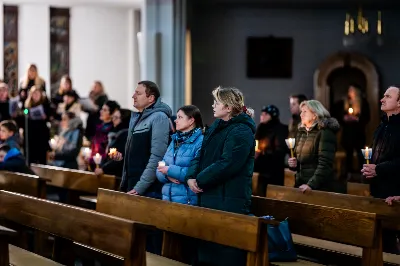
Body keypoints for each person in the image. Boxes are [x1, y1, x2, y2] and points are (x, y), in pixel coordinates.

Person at [185, 86, 255, 266]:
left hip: (228, 198)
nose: (213, 105)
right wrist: (191, 177)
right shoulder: (217, 127)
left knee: (224, 254)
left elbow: (228, 164)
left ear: (229, 108)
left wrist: (199, 179)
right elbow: (199, 155)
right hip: (211, 194)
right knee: (207, 251)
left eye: (217, 102)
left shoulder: (241, 130)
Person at [110, 81, 172, 255]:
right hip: (134, 185)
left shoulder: (159, 118)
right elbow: (138, 153)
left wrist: (140, 187)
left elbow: (157, 156)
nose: (133, 96)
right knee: (134, 241)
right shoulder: (138, 117)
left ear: (151, 98)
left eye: (138, 93)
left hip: (148, 189)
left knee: (148, 243)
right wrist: (123, 158)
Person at [362, 86, 400, 254]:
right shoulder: (381, 127)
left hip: (396, 192)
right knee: (383, 244)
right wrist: (369, 169)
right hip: (379, 192)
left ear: (399, 102)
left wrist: (378, 169)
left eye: (387, 96)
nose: (382, 99)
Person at [156, 105, 204, 205]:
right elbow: (160, 168)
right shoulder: (175, 140)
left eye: (180, 117)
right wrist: (167, 176)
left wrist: (170, 170)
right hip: (167, 199)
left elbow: (198, 171)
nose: (175, 120)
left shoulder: (201, 141)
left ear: (191, 120)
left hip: (188, 200)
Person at [288, 100, 339, 192]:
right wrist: (294, 164)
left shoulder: (325, 133)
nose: (301, 115)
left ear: (315, 115)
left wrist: (311, 185)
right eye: (301, 112)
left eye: (305, 112)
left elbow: (325, 164)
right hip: (301, 185)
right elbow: (301, 162)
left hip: (318, 188)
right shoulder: (301, 132)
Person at [334, 84, 370, 176]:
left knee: (360, 153)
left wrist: (356, 119)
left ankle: (362, 173)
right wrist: (344, 118)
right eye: (349, 90)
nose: (350, 92)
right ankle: (348, 173)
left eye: (352, 90)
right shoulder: (344, 102)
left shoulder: (363, 103)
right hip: (347, 132)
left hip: (358, 132)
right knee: (348, 153)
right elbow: (337, 115)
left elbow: (367, 117)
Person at [254, 105, 288, 195]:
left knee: (272, 196)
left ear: (272, 116)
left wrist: (262, 153)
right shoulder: (261, 128)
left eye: (266, 114)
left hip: (274, 171)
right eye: (262, 114)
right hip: (261, 170)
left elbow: (280, 151)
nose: (262, 116)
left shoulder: (280, 129)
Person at [94, 108, 130, 178]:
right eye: (113, 117)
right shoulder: (115, 133)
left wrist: (103, 169)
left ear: (124, 119)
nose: (113, 119)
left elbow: (119, 157)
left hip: (117, 174)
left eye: (116, 117)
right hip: (112, 172)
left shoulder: (125, 135)